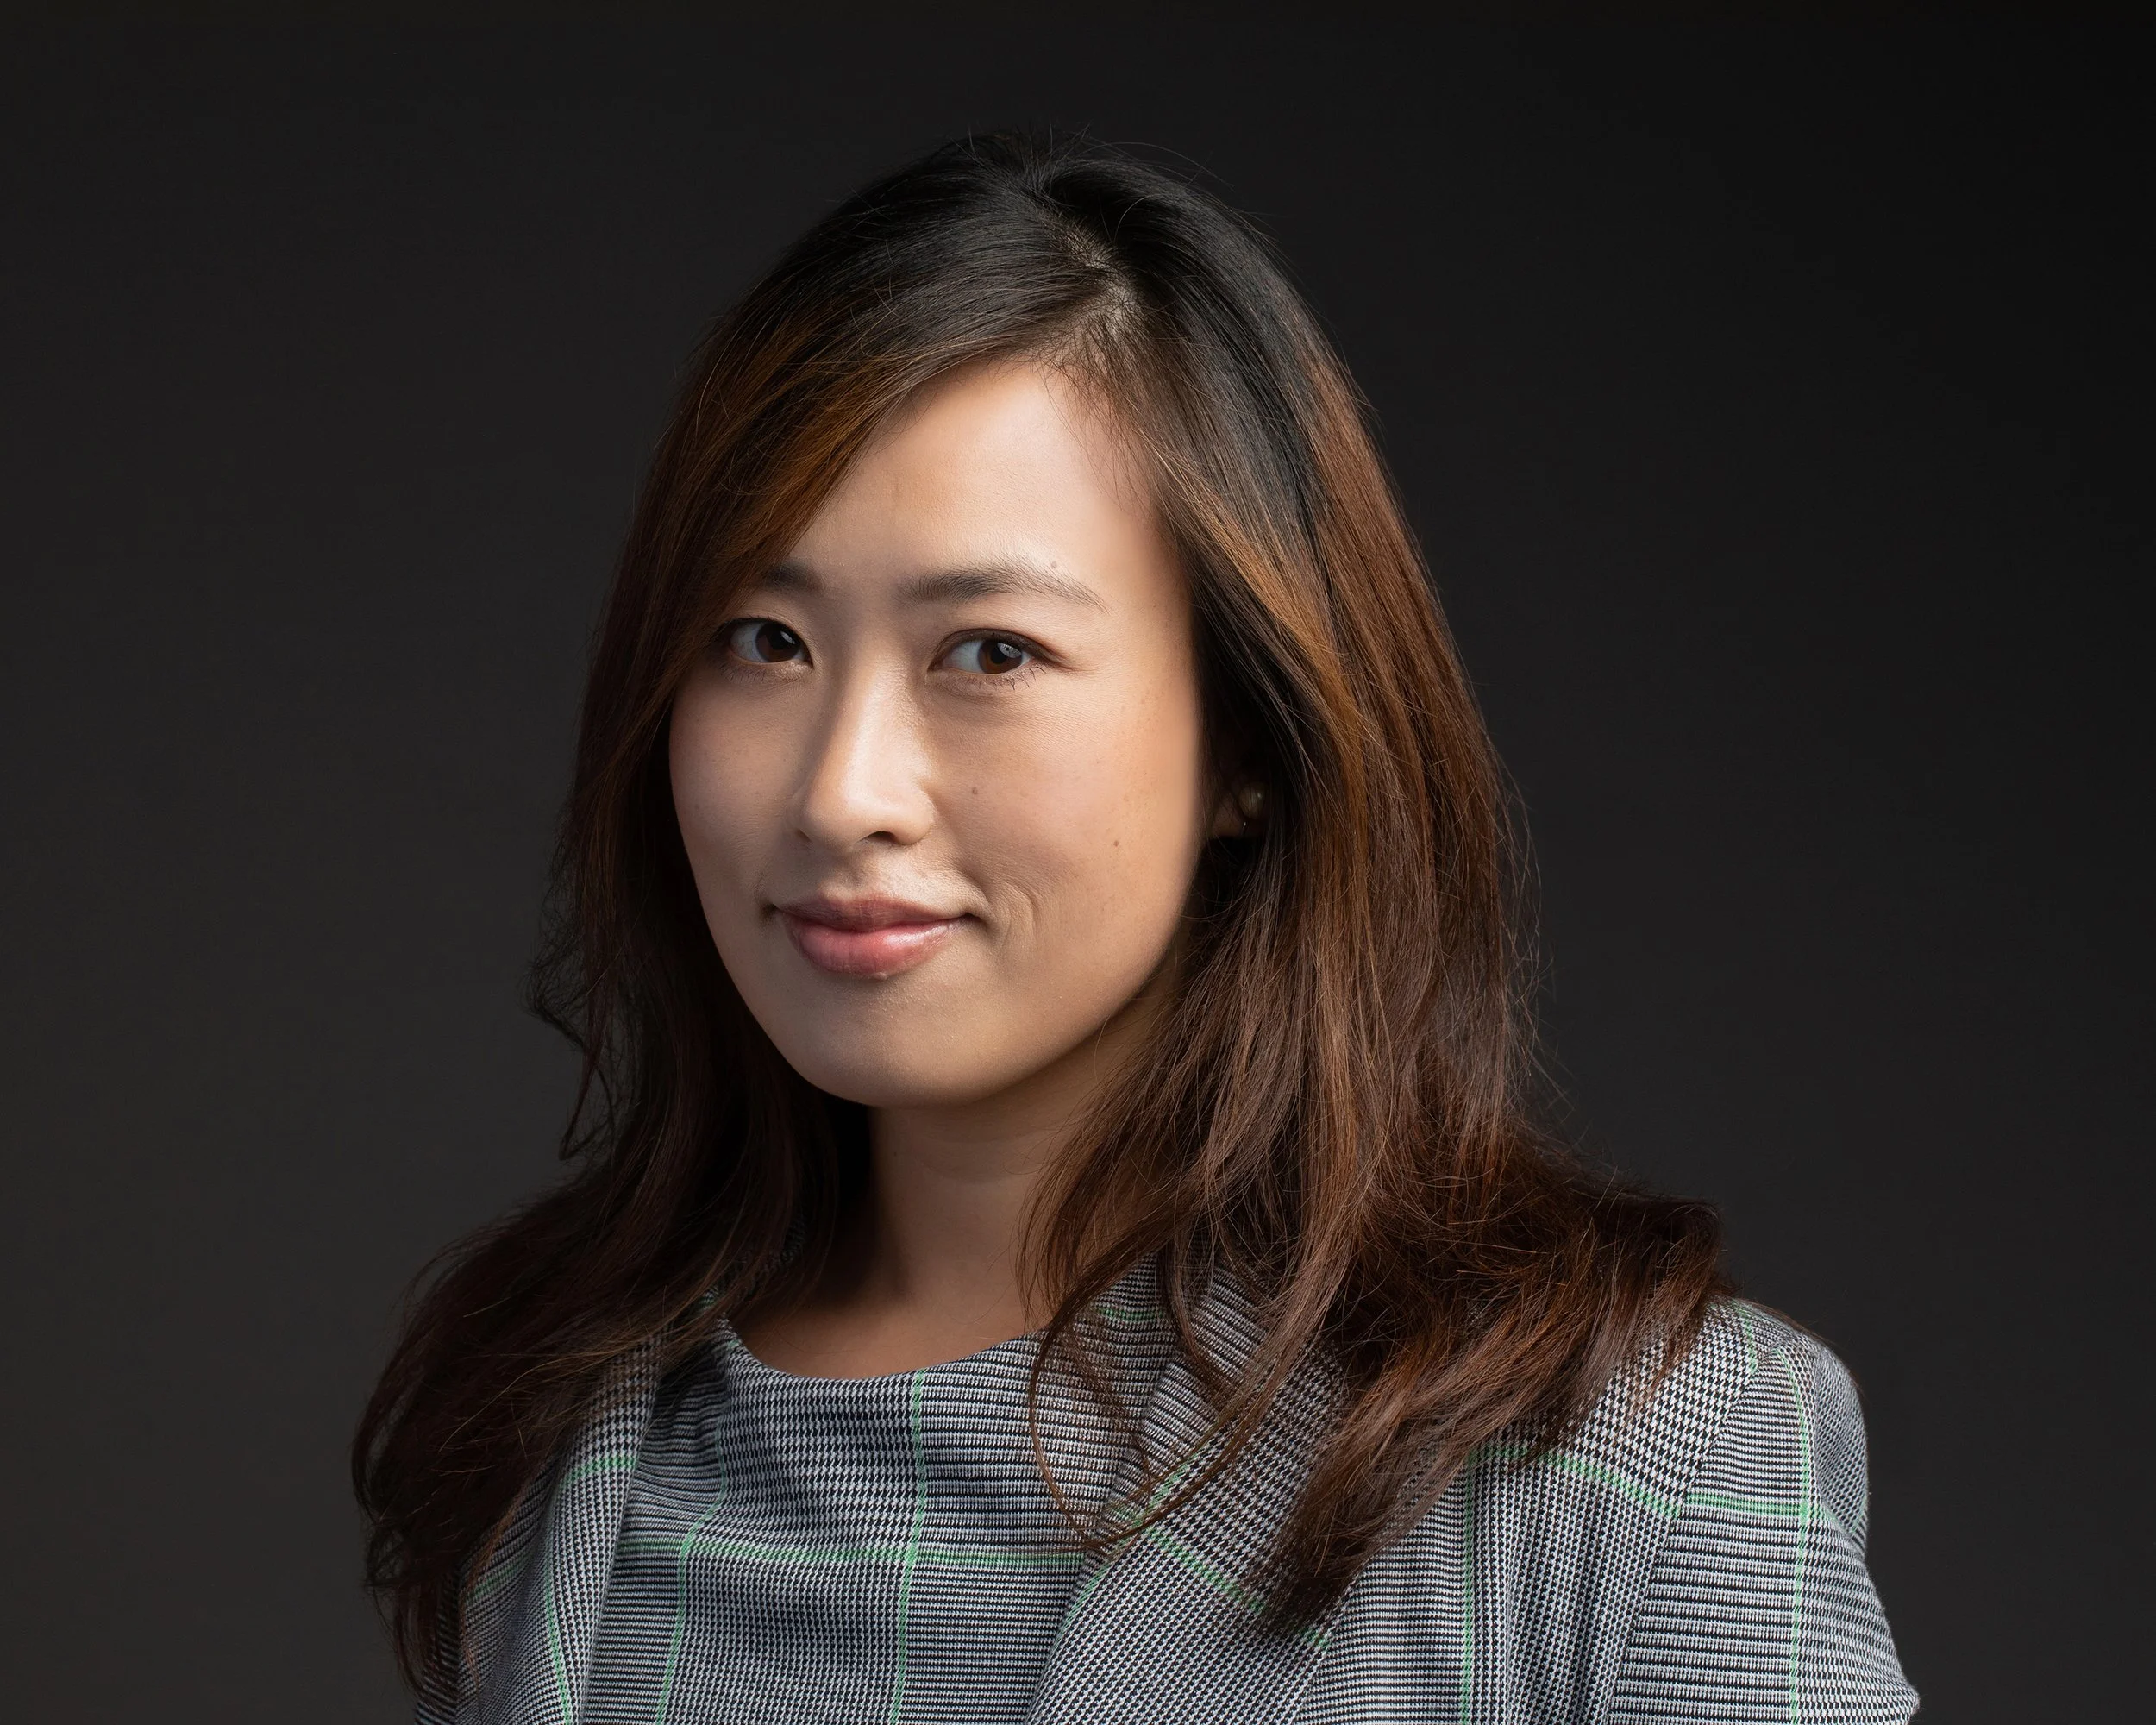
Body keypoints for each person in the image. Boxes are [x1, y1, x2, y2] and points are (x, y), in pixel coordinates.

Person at [354, 133, 1916, 1723]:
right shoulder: (547, 1431)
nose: (842, 793)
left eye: (990, 653)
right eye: (762, 640)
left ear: (1248, 741)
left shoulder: (1620, 1457)